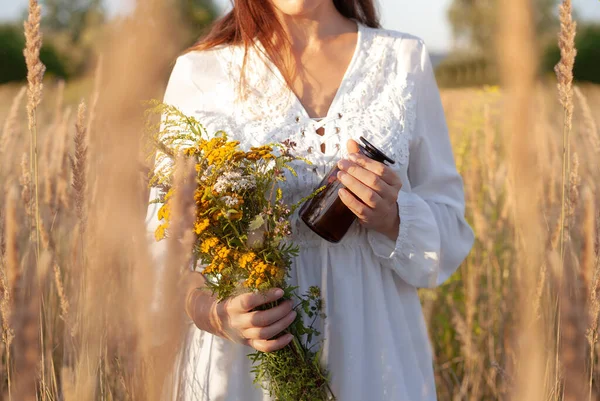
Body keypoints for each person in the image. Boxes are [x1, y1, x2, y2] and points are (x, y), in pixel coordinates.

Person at [145, 0, 475, 400]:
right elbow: (162, 242)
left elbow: (450, 228)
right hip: (245, 368)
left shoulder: (403, 58)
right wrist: (211, 313)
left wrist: (392, 216)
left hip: (375, 357)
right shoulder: (200, 72)